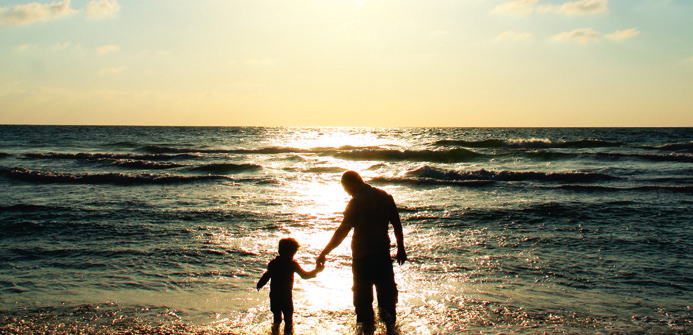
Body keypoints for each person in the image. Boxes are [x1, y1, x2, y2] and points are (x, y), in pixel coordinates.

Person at [317, 171, 407, 327]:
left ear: (353, 183)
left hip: (362, 257)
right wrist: (401, 248)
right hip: (382, 255)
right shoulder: (385, 197)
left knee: (363, 301)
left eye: (346, 188)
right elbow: (397, 225)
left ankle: (366, 329)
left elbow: (342, 231)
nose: (347, 192)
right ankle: (391, 329)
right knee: (387, 299)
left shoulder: (356, 203)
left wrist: (325, 252)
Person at [257, 237, 324, 335]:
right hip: (286, 297)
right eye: (293, 252)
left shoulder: (273, 263)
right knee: (287, 320)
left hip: (275, 296)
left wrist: (260, 284)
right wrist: (317, 270)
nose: (293, 255)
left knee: (277, 319)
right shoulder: (292, 264)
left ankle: (275, 333)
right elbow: (304, 275)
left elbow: (267, 275)